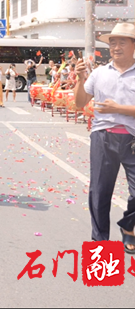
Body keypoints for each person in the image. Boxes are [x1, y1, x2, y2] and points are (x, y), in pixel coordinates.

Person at [74, 23, 135, 252]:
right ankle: (100, 244)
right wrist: (80, 78)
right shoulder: (99, 73)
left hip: (132, 140)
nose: (116, 47)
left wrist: (119, 108)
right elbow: (80, 103)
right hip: (103, 138)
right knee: (100, 192)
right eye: (112, 43)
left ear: (133, 46)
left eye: (122, 42)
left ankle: (128, 225)